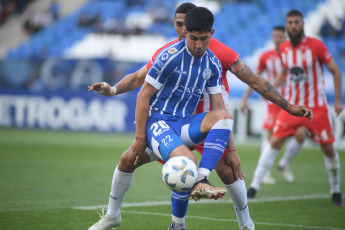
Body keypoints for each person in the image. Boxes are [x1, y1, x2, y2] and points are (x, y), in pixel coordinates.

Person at [87, 4, 312, 230]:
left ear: (209, 33)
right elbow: (138, 80)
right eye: (180, 26)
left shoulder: (217, 57)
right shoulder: (168, 54)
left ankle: (243, 222)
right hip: (164, 124)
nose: (195, 41)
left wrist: (286, 108)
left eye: (200, 37)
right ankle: (136, 218)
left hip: (198, 127)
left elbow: (232, 98)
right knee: (134, 160)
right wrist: (114, 91)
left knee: (227, 169)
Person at [247, 9, 344, 207]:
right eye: (290, 22)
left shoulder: (316, 46)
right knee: (274, 143)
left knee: (328, 149)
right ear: (287, 25)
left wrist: (337, 101)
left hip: (317, 108)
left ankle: (335, 190)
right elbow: (285, 72)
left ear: (302, 24)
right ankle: (253, 187)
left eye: (296, 22)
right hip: (293, 106)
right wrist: (271, 90)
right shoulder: (284, 49)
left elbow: (335, 71)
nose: (293, 26)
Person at [241, 26, 307, 184]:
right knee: (271, 136)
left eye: (280, 36)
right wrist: (245, 98)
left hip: (290, 100)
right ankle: (266, 172)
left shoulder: (292, 56)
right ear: (272, 38)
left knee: (301, 134)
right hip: (273, 102)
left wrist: (272, 89)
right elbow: (253, 77)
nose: (277, 39)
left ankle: (284, 163)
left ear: (285, 38)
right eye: (275, 36)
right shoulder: (266, 57)